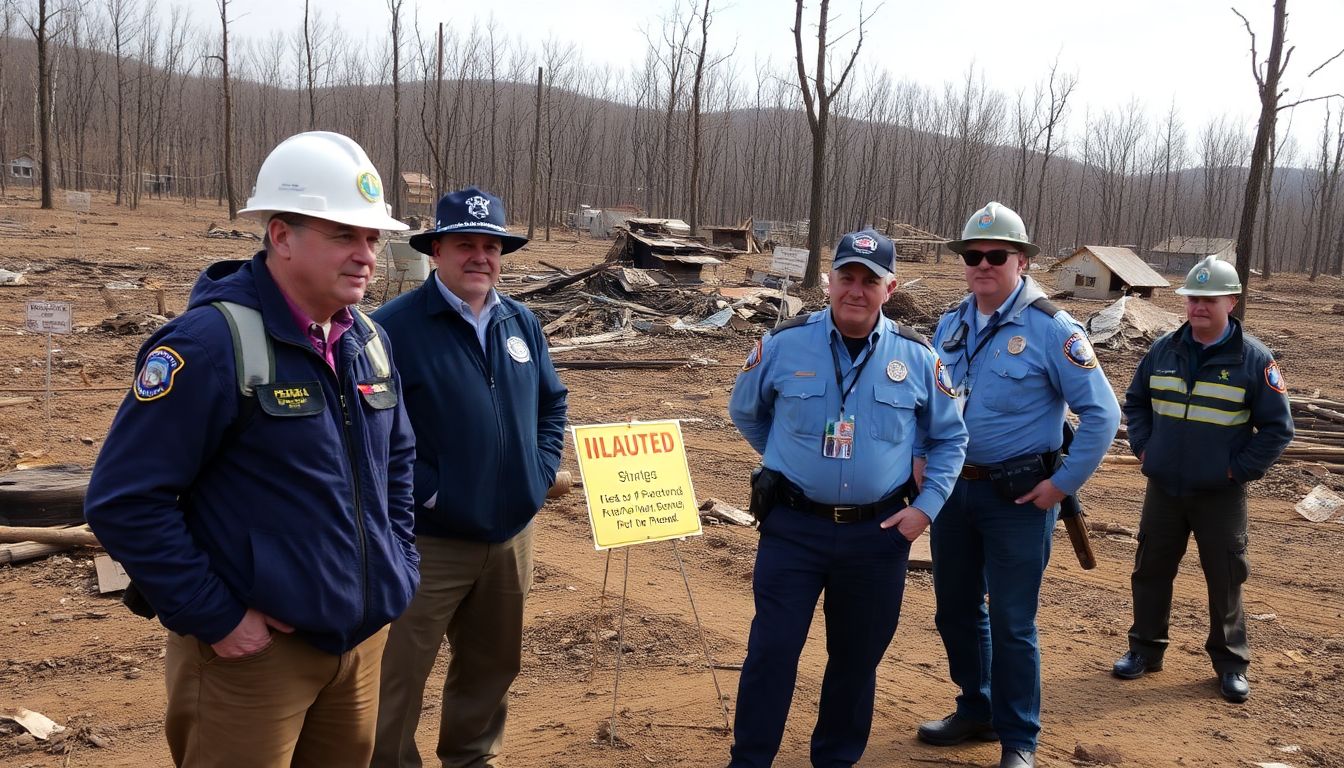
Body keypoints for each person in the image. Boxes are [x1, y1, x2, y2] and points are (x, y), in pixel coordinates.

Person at [83, 131, 419, 767]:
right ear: (281, 235)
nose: (367, 255)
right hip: (254, 659)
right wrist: (218, 618)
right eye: (344, 234)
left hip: (361, 642)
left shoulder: (367, 339)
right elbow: (126, 501)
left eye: (373, 237)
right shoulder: (208, 346)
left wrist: (398, 564)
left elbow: (395, 464)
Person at [727, 229, 968, 768]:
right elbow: (746, 410)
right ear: (830, 281)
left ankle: (835, 759)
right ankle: (751, 759)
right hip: (793, 529)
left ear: (890, 288)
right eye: (846, 277)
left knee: (855, 662)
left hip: (877, 535)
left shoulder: (918, 356)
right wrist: (786, 458)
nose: (855, 290)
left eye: (870, 280)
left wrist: (925, 509)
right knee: (772, 652)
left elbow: (951, 437)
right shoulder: (784, 344)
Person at [916, 202, 1120, 768]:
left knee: (1011, 621)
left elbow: (1102, 414)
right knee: (955, 610)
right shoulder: (951, 324)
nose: (983, 264)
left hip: (1020, 499)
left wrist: (1061, 484)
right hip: (954, 492)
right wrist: (918, 458)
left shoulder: (1053, 328)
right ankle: (975, 708)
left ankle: (1018, 739)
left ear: (1021, 261)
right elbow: (926, 403)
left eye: (995, 255)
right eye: (973, 255)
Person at [370, 187, 568, 768]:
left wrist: (539, 470)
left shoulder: (520, 322)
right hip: (426, 541)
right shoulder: (393, 328)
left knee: (491, 667)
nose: (481, 256)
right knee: (398, 673)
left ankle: (472, 758)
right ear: (437, 250)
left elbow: (551, 406)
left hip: (509, 537)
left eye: (491, 245)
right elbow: (376, 434)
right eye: (466, 244)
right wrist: (430, 492)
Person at [1111, 255, 1293, 703]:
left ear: (1232, 301)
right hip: (1165, 489)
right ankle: (1145, 650)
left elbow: (1277, 429)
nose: (1199, 307)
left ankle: (1230, 664)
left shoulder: (1254, 360)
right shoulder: (1163, 351)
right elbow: (1135, 404)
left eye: (1210, 299)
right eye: (1193, 298)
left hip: (1220, 494)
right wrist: (1146, 448)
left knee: (1226, 577)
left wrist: (1238, 469)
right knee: (1150, 569)